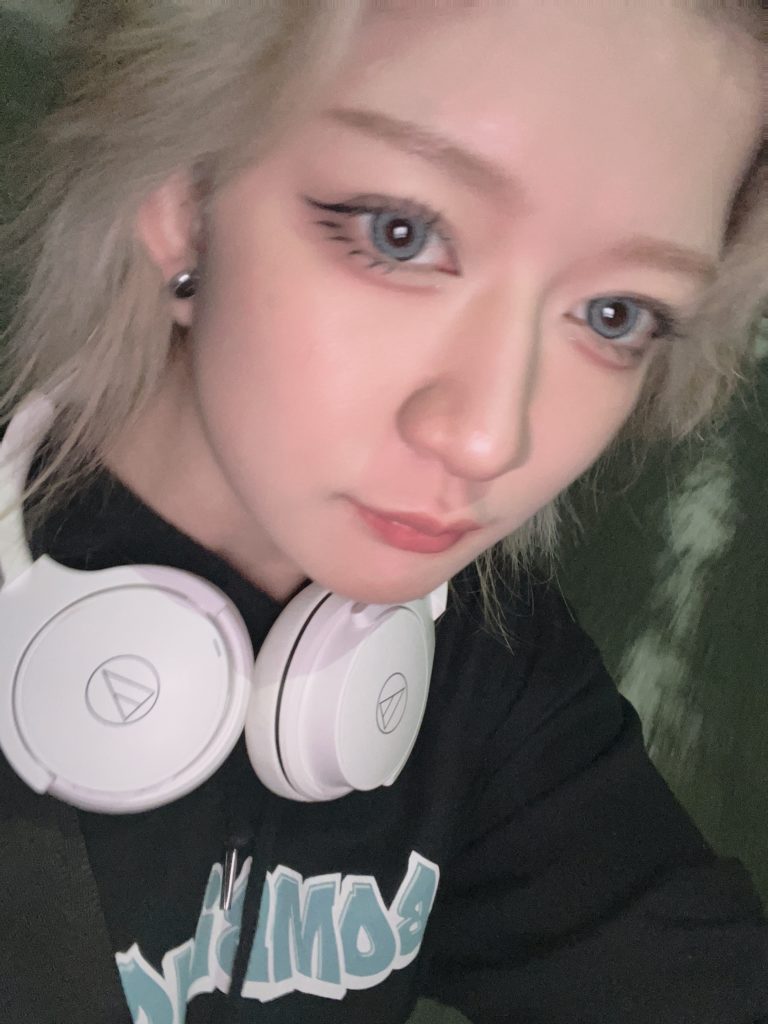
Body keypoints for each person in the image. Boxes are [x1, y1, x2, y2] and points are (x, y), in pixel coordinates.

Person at [0, 2, 766, 1022]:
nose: (489, 438)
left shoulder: (495, 666)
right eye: (399, 234)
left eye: (614, 314)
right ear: (183, 196)